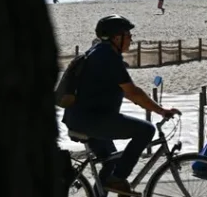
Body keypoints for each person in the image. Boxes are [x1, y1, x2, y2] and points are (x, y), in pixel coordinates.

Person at [62, 15, 180, 195]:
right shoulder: (108, 57)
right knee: (146, 130)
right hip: (92, 120)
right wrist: (161, 111)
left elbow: (123, 92)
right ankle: (118, 180)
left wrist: (151, 106)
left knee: (110, 162)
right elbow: (133, 92)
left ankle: (109, 185)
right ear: (117, 37)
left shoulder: (99, 51)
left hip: (81, 118)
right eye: (128, 34)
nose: (131, 38)